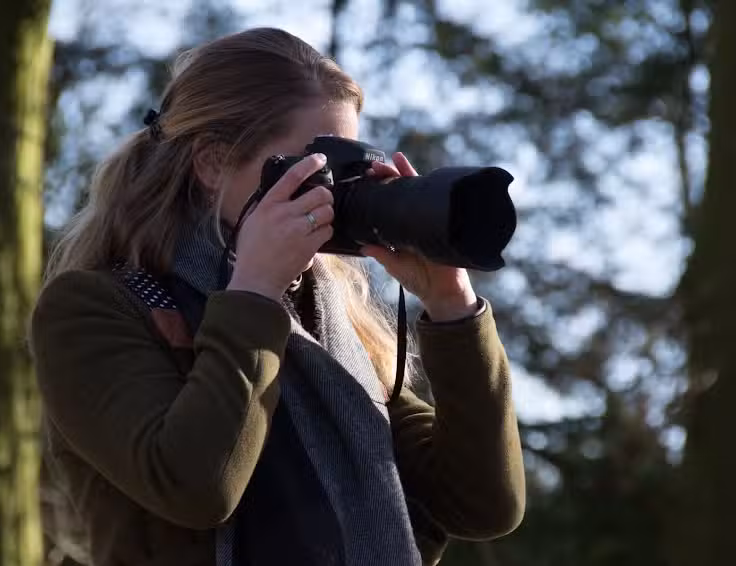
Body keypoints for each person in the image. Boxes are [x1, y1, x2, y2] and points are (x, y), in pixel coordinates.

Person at [31, 27, 525, 566]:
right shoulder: (95, 308)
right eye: (315, 167)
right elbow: (197, 487)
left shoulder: (331, 326)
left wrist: (452, 307)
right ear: (213, 163)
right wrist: (254, 292)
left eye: (348, 169)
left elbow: (483, 507)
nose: (333, 196)